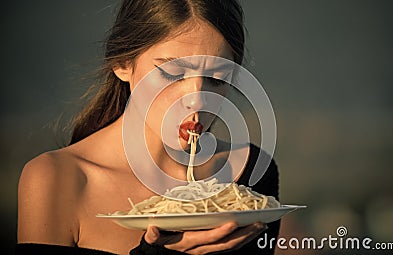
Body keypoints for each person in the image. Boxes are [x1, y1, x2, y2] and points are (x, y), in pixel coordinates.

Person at [17, 0, 280, 254]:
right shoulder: (56, 179)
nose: (198, 99)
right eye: (172, 73)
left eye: (216, 79)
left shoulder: (247, 177)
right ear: (122, 63)